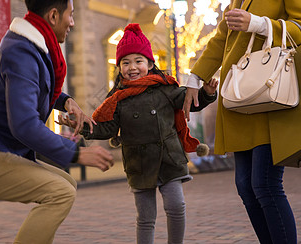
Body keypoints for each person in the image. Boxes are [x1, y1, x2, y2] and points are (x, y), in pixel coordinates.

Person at [0, 0, 114, 244]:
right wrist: (76, 153)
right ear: (53, 15)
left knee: (66, 186)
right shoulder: (22, 52)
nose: (72, 22)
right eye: (70, 15)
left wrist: (65, 100)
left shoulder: (33, 46)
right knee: (61, 193)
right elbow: (24, 125)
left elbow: (36, 86)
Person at [182, 0, 301, 243]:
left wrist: (259, 24)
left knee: (265, 184)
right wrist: (195, 77)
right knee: (246, 186)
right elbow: (224, 34)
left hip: (273, 94)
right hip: (243, 95)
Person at [58, 23, 218, 244]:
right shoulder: (117, 98)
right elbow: (106, 127)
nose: (132, 67)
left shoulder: (165, 87)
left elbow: (190, 101)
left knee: (176, 206)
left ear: (150, 64)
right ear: (119, 66)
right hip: (139, 164)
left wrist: (207, 93)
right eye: (125, 62)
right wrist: (81, 124)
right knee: (145, 217)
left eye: (138, 61)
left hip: (168, 159)